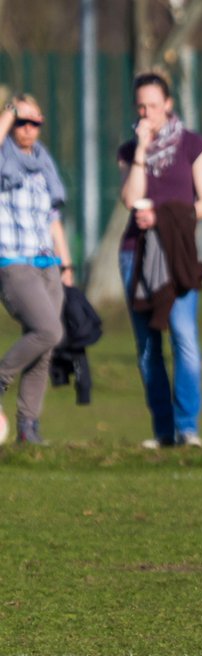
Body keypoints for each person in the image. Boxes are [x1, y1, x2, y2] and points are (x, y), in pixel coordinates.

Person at [118, 72, 202, 449]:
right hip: (135, 255)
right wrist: (142, 151)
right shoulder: (129, 150)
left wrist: (162, 216)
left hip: (176, 254)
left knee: (184, 337)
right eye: (141, 106)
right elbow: (130, 200)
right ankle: (162, 430)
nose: (147, 113)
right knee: (147, 346)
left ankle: (187, 426)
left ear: (169, 104)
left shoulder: (193, 145)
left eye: (154, 106)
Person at [0, 94, 75, 446]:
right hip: (14, 262)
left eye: (33, 122)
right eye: (20, 122)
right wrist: (9, 113)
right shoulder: (4, 159)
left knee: (45, 345)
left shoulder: (44, 164)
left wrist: (66, 262)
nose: (27, 129)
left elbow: (52, 220)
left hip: (48, 263)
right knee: (47, 330)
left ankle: (28, 427)